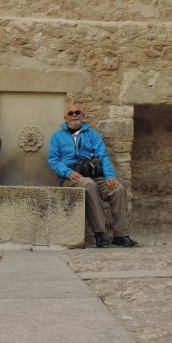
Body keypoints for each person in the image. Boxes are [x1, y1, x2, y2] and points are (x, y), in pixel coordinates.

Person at [47, 104, 139, 248]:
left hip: (94, 175)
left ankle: (121, 235)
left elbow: (103, 156)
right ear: (66, 118)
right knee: (88, 184)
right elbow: (53, 160)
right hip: (71, 178)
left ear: (83, 115)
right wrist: (68, 172)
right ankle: (100, 234)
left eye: (77, 112)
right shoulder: (57, 136)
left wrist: (110, 176)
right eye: (71, 113)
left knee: (118, 189)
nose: (74, 115)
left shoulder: (92, 134)